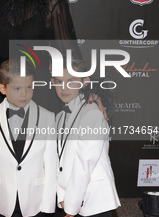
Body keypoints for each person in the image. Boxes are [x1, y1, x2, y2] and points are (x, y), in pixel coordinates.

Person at [0, 0, 82, 113]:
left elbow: (69, 53)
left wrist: (91, 93)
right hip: (3, 92)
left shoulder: (52, 3)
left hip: (38, 91)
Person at [0, 59, 57, 217]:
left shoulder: (48, 118)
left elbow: (51, 165)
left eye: (29, 87)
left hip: (35, 200)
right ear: (2, 88)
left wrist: (48, 204)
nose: (24, 93)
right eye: (17, 88)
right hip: (2, 199)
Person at [51, 58, 120, 217]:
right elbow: (60, 161)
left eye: (71, 81)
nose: (64, 88)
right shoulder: (60, 116)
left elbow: (84, 163)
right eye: (59, 81)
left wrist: (71, 205)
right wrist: (62, 196)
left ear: (85, 82)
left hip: (94, 202)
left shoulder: (92, 113)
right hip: (71, 199)